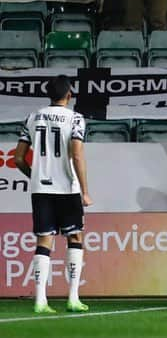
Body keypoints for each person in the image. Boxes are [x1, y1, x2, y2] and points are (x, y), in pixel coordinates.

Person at [14, 75, 91, 313]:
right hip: (67, 188)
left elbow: (18, 158)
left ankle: (40, 300)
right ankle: (73, 298)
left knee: (43, 242)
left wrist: (34, 175)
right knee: (75, 238)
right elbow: (76, 155)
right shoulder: (76, 118)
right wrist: (86, 192)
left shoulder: (32, 117)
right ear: (69, 95)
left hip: (41, 189)